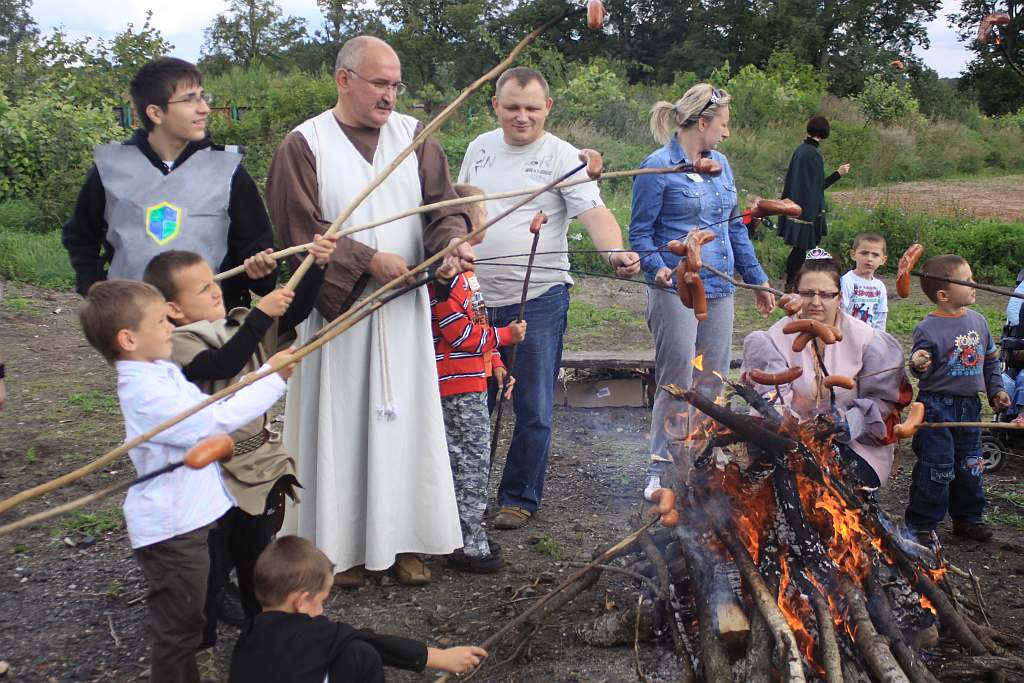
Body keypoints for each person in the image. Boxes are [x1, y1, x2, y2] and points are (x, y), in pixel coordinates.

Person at [266, 36, 473, 587]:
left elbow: (443, 207)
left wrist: (448, 247)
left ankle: (404, 540)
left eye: (395, 84)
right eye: (379, 83)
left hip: (402, 314)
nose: (389, 95)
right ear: (343, 79)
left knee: (406, 425)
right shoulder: (303, 144)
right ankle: (339, 548)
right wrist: (366, 260)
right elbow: (297, 229)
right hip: (340, 317)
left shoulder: (413, 137)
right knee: (339, 427)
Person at [77, 279, 295, 683]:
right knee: (180, 629)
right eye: (160, 321)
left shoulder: (159, 370)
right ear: (128, 338)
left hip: (193, 516)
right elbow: (213, 421)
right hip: (173, 528)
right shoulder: (144, 390)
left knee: (191, 612)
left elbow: (211, 408)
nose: (169, 329)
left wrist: (267, 372)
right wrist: (273, 379)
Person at [458, 66, 640, 529]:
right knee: (473, 399)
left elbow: (594, 212)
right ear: (496, 106)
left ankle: (519, 496)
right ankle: (464, 494)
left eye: (532, 109)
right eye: (513, 107)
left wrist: (615, 253)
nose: (522, 117)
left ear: (548, 109)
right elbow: (461, 209)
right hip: (477, 297)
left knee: (533, 404)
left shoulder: (564, 157)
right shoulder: (479, 148)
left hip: (536, 297)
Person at [142, 234, 336, 650]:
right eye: (203, 289)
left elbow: (293, 310)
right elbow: (224, 362)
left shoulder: (238, 320)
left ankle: (262, 639)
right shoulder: (175, 345)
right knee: (208, 570)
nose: (215, 291)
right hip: (210, 479)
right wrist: (260, 313)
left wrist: (314, 266)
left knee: (257, 564)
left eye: (215, 283)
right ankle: (201, 644)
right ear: (173, 310)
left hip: (257, 470)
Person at [629, 83, 775, 499]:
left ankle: (698, 459)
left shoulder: (722, 165)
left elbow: (734, 227)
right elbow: (640, 232)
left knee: (711, 380)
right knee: (677, 379)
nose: (727, 133)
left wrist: (757, 279)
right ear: (703, 122)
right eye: (724, 125)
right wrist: (657, 269)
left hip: (720, 286)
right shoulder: (658, 167)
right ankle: (660, 467)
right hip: (677, 288)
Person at [62, 57, 279, 310]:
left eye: (202, 96)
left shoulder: (227, 171)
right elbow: (80, 235)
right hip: (134, 321)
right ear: (155, 112)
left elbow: (256, 249)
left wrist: (260, 271)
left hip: (208, 329)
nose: (204, 108)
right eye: (189, 99)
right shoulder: (112, 169)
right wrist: (93, 287)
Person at [742, 251, 910, 488]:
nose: (816, 302)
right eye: (808, 293)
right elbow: (772, 403)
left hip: (855, 446)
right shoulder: (771, 340)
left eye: (826, 294)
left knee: (836, 487)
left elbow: (884, 404)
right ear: (795, 294)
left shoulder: (867, 340)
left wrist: (846, 422)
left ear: (839, 297)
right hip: (788, 444)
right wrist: (799, 430)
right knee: (791, 482)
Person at [429, 184, 527, 573]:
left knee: (473, 460)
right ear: (466, 224)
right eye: (484, 213)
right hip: (455, 385)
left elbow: (477, 324)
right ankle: (467, 543)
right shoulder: (448, 279)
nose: (488, 220)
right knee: (469, 464)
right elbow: (461, 335)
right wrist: (506, 337)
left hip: (473, 379)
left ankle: (466, 534)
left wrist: (497, 364)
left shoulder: (468, 276)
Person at [229, 536, 486, 682]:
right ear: (301, 601)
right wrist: (442, 658)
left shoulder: (248, 637)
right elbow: (370, 641)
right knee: (360, 652)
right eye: (321, 601)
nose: (322, 611)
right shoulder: (314, 631)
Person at [905, 255, 1011, 543]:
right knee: (937, 465)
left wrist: (996, 391)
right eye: (967, 280)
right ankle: (922, 524)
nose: (974, 283)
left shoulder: (979, 321)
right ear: (943, 294)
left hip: (970, 407)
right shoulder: (928, 328)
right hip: (936, 406)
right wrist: (918, 362)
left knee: (971, 464)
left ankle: (968, 519)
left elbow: (990, 363)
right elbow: (918, 365)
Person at [778, 116, 851, 290]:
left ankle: (792, 283)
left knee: (800, 249)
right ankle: (792, 285)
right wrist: (838, 173)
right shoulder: (814, 155)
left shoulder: (800, 150)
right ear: (824, 133)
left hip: (795, 208)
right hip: (807, 212)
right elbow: (819, 187)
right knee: (802, 250)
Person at [840, 231, 889, 332]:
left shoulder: (880, 286)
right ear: (853, 255)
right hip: (848, 334)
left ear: (883, 260)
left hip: (871, 336)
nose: (869, 259)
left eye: (875, 255)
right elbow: (841, 311)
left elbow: (881, 315)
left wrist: (879, 339)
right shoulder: (846, 281)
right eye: (864, 253)